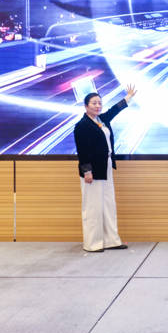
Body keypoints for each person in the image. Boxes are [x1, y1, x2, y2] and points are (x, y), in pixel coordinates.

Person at [73, 85, 136, 253]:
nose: (97, 106)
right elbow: (82, 151)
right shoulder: (82, 125)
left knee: (108, 204)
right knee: (93, 207)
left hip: (106, 166)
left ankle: (111, 240)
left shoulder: (101, 120)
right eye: (93, 103)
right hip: (92, 171)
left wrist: (128, 97)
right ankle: (92, 243)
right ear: (86, 106)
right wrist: (87, 171)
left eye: (99, 103)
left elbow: (114, 110)